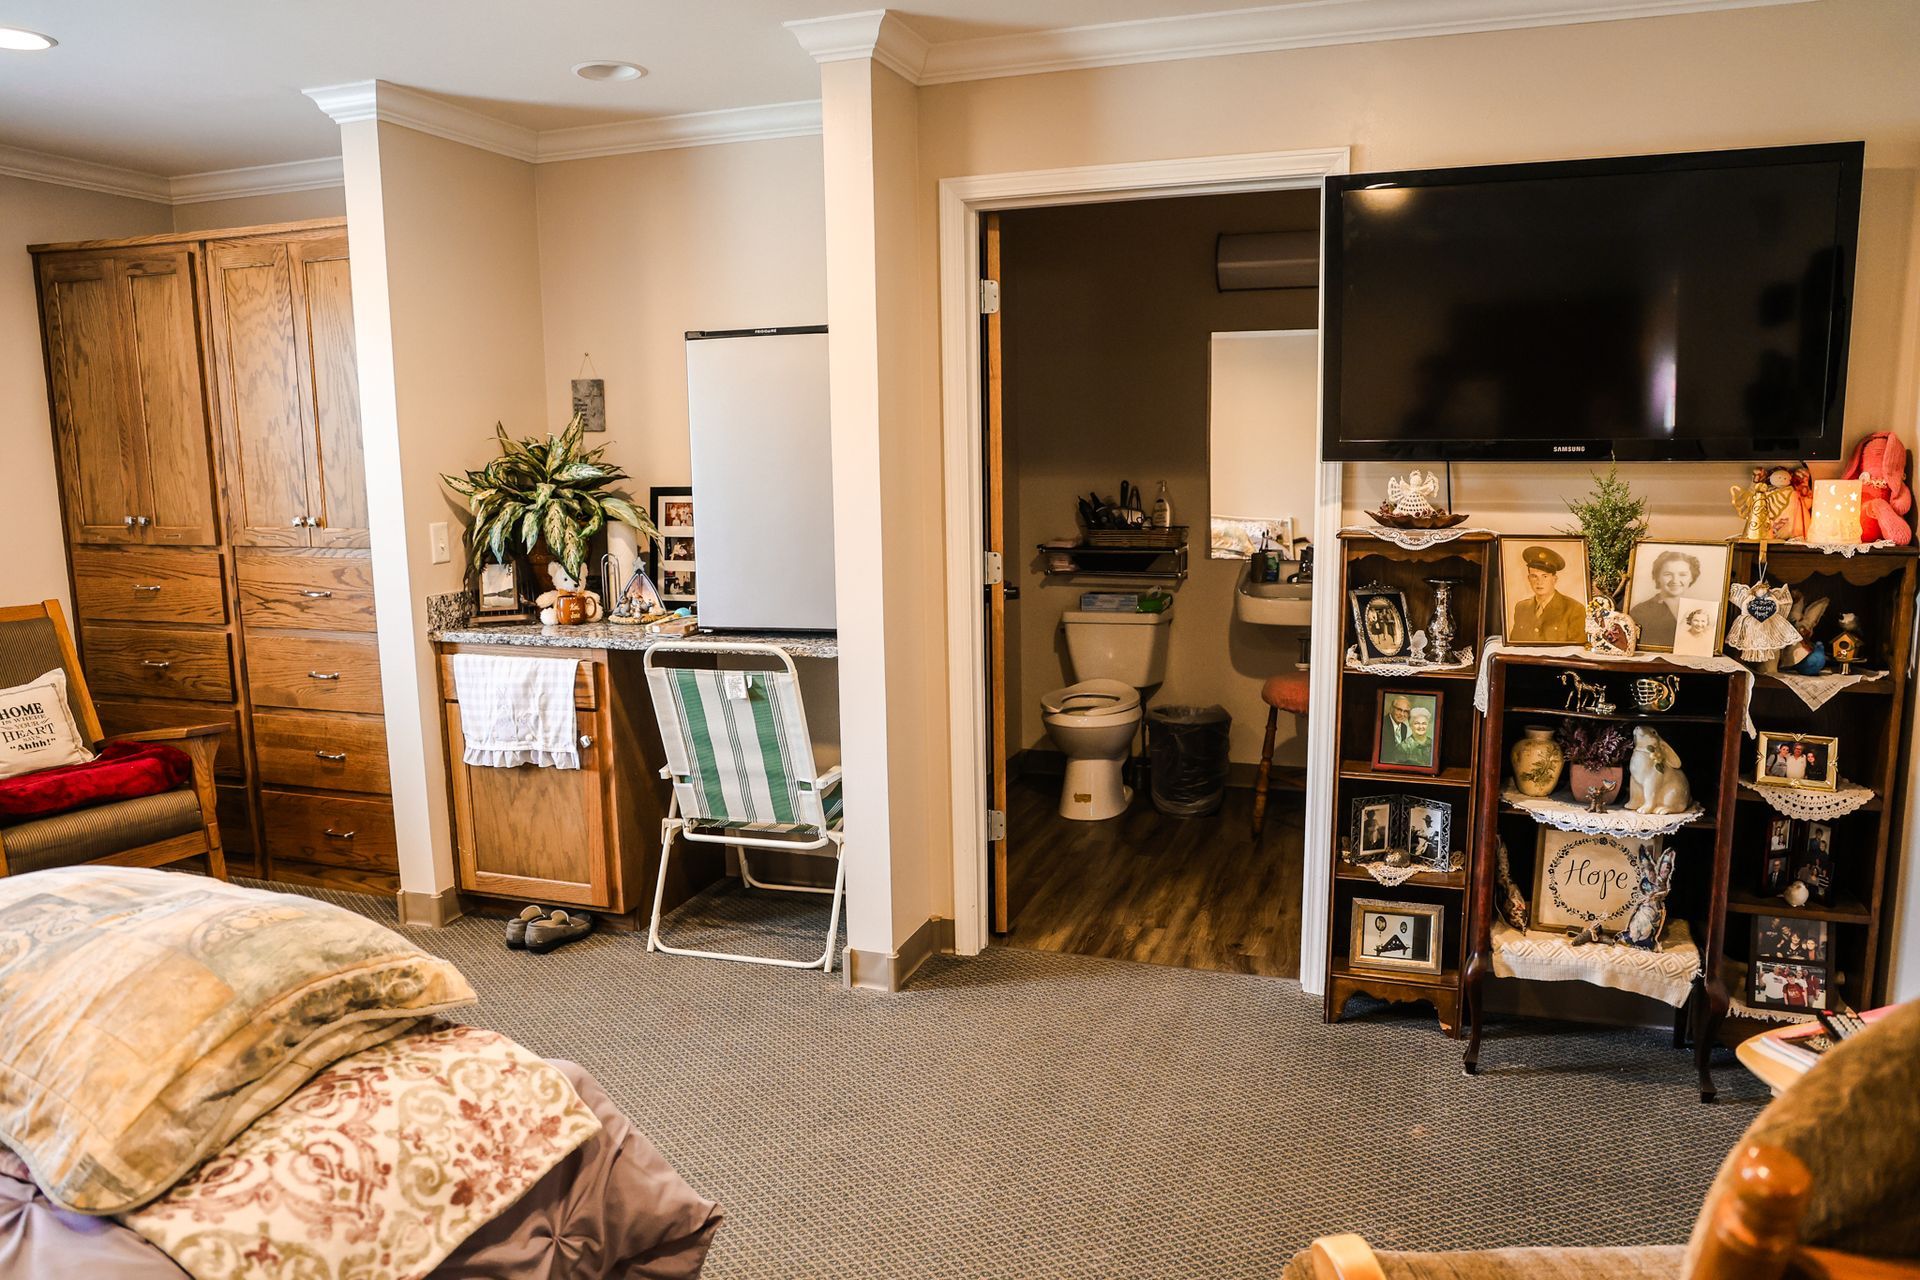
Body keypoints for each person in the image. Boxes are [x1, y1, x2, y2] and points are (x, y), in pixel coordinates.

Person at [1629, 549, 1702, 650]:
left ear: (1691, 577)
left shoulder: (1701, 609)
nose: (1675, 580)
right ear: (1657, 576)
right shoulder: (1640, 611)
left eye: (1682, 574)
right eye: (1668, 574)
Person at [1510, 545, 1583, 642]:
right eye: (1534, 576)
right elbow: (1514, 644)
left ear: (1554, 579)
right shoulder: (1521, 607)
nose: (1539, 582)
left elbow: (1577, 650)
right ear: (1529, 579)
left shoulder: (1574, 609)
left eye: (1545, 576)